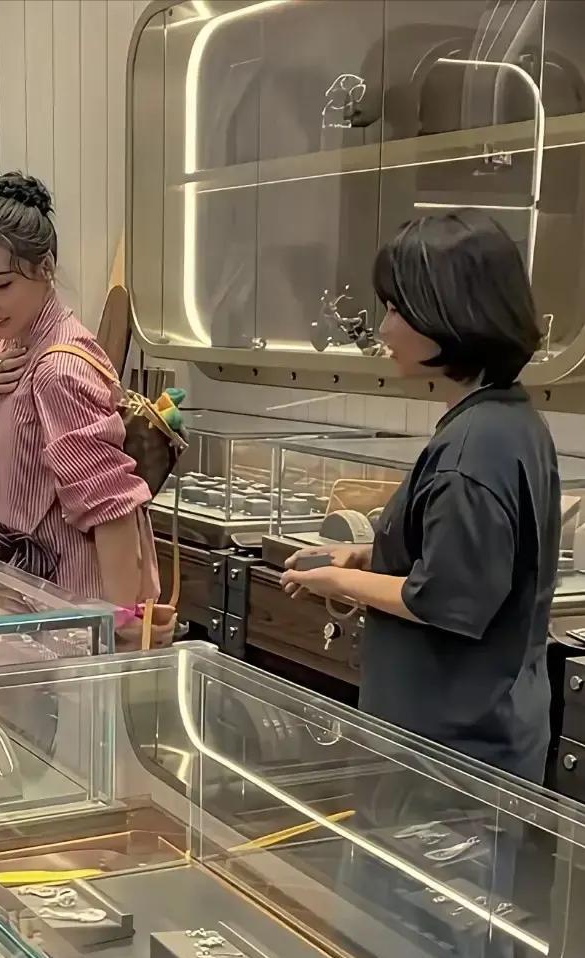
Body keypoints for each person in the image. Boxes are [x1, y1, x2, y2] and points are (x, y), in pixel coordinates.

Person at [282, 209, 558, 784]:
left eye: (395, 309)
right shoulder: (506, 418)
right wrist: (366, 557)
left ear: (449, 315)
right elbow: (464, 559)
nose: (383, 330)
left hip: (450, 756)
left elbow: (445, 598)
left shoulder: (473, 450)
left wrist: (339, 583)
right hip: (477, 733)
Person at [0, 172, 168, 645]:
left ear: (45, 267)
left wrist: (119, 620)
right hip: (16, 593)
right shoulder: (10, 346)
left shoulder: (59, 369)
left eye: (1, 284)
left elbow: (111, 507)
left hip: (62, 606)